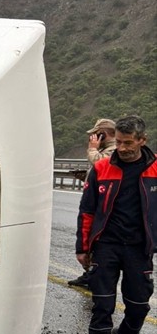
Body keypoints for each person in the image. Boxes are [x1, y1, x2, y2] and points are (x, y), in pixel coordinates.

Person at [75, 114, 156, 334]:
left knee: (138, 306)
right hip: (106, 246)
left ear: (142, 140)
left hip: (138, 249)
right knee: (102, 306)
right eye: (119, 142)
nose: (121, 148)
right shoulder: (101, 169)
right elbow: (87, 210)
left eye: (128, 142)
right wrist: (83, 246)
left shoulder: (155, 169)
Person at [68, 117, 116, 289]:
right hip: (95, 199)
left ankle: (94, 276)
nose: (93, 138)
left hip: (104, 206)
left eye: (96, 134)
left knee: (97, 239)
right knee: (89, 237)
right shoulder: (106, 149)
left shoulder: (114, 149)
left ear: (104, 134)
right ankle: (90, 273)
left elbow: (101, 163)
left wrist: (92, 149)